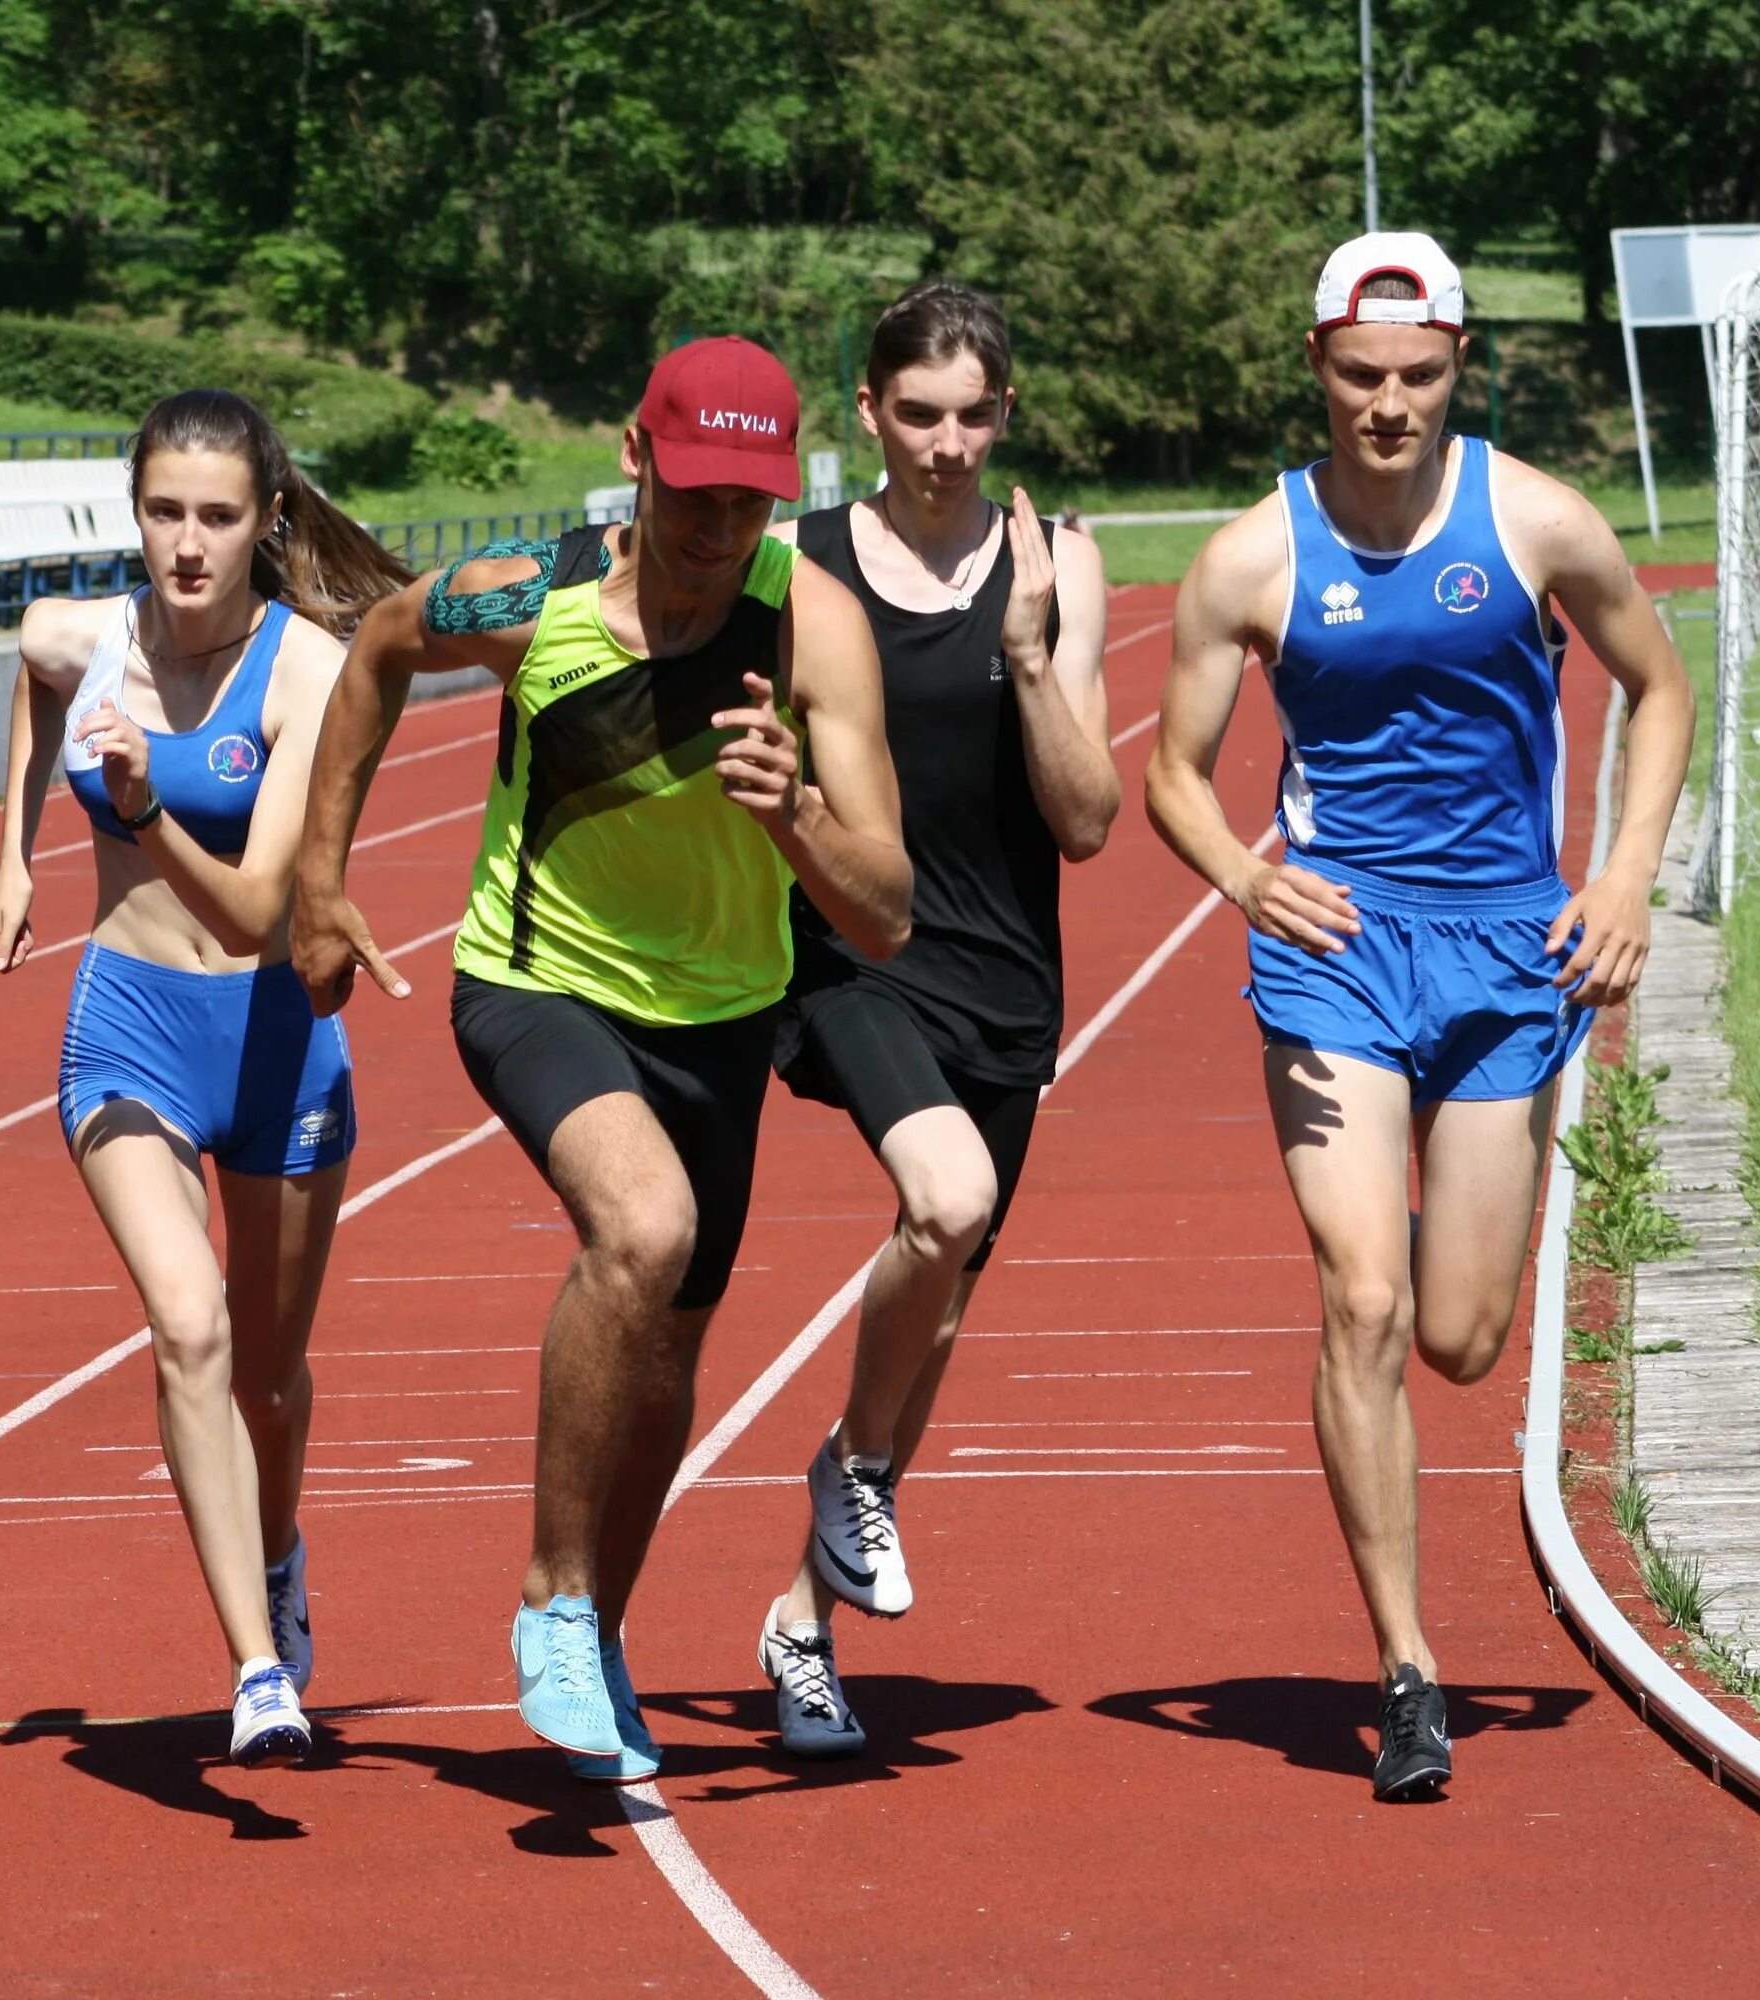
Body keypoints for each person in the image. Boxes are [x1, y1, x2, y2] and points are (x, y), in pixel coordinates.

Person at [289, 336, 912, 1782]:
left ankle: (604, 1634)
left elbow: (882, 914)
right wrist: (322, 882)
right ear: (638, 456)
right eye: (695, 493)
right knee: (644, 1228)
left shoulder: (813, 629)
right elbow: (379, 647)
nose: (718, 530)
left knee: (670, 1344)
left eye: (750, 504)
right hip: (534, 980)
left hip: (723, 1018)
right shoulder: (533, 595)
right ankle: (552, 1603)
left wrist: (796, 818)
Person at [1144, 233, 1693, 1802]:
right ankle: (1406, 1670)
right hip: (1337, 953)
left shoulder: (1535, 520)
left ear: (1458, 366)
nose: (1389, 405)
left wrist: (1628, 874)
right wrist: (1247, 881)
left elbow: (1660, 686)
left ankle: (1412, 1644)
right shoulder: (1253, 558)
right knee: (1365, 1303)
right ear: (1318, 365)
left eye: (1420, 376)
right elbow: (1174, 768)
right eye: (1361, 375)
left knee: (1461, 1338)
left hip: (1511, 951)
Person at [0, 388, 409, 1769]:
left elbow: (254, 909)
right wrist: (15, 852)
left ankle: (278, 1554)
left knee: (270, 1384)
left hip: (278, 1039)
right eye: (164, 511)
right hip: (129, 1027)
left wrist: (146, 806)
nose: (187, 542)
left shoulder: (305, 674)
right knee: (189, 1326)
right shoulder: (83, 639)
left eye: (217, 517)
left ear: (264, 523)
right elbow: (31, 674)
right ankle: (257, 1667)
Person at [746, 283, 1121, 1759]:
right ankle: (857, 1486)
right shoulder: (801, 565)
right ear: (867, 414)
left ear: (1007, 414)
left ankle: (800, 1624)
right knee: (945, 1199)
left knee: (943, 1295)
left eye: (974, 415)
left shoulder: (1060, 565)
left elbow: (1087, 820)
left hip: (1009, 983)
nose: (948, 444)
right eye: (919, 414)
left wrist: (1027, 651)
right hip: (851, 954)